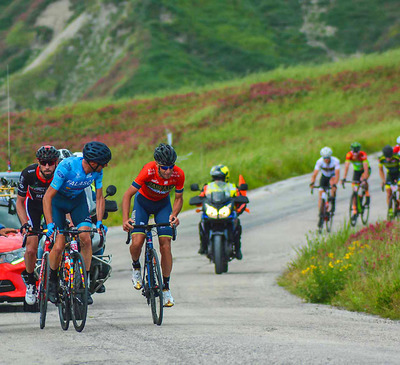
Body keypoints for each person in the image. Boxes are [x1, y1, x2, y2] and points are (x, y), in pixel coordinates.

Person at [43, 141, 112, 305]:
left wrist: (100, 221)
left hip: (77, 202)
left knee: (86, 238)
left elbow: (100, 197)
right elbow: (47, 197)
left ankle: (84, 285)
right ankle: (52, 281)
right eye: (104, 163)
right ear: (94, 163)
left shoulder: (97, 172)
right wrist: (50, 223)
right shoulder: (67, 167)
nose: (106, 166)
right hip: (58, 204)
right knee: (59, 245)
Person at [122, 143, 184, 307]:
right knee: (137, 241)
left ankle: (166, 288)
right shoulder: (147, 170)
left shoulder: (178, 175)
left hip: (163, 206)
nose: (168, 171)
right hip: (142, 204)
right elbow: (127, 195)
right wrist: (125, 219)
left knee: (166, 245)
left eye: (171, 167)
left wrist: (174, 215)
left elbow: (178, 199)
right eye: (164, 168)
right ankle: (136, 267)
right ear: (157, 165)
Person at [16, 145, 60, 305]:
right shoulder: (28, 174)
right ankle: (30, 283)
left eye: (50, 163)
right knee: (31, 246)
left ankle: (58, 278)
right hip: (33, 207)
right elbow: (20, 202)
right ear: (38, 162)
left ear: (56, 162)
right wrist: (25, 224)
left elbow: (67, 199)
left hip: (54, 207)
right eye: (43, 163)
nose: (47, 167)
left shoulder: (60, 174)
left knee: (61, 240)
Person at [197, 164, 244, 259]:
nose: (218, 180)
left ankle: (237, 248)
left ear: (225, 177)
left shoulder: (231, 187)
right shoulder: (208, 187)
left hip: (226, 211)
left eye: (220, 177)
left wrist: (241, 200)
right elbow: (201, 196)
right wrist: (197, 199)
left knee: (237, 225)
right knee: (201, 223)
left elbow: (239, 196)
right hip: (212, 210)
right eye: (216, 177)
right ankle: (203, 245)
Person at [341, 142, 371, 216]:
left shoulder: (362, 155)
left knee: (363, 179)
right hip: (357, 171)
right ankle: (355, 210)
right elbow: (346, 167)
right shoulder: (349, 155)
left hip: (365, 170)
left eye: (356, 152)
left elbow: (365, 167)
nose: (355, 154)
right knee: (355, 189)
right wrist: (344, 177)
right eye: (354, 152)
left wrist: (364, 179)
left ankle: (367, 195)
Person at [309, 147, 340, 217]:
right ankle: (321, 212)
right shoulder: (319, 162)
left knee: (333, 184)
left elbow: (337, 174)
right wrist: (312, 183)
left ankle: (332, 199)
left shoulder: (335, 161)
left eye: (327, 158)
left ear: (330, 157)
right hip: (324, 176)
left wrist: (335, 184)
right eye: (324, 158)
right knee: (321, 195)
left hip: (332, 176)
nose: (326, 159)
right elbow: (314, 174)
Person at [378, 145, 400, 215]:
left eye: (390, 156)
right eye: (387, 157)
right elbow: (381, 170)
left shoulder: (397, 157)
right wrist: (383, 180)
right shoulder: (381, 159)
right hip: (390, 175)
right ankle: (390, 210)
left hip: (398, 174)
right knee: (388, 193)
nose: (388, 159)